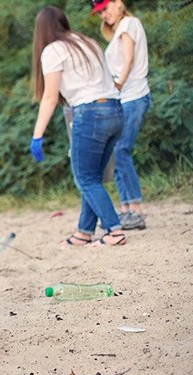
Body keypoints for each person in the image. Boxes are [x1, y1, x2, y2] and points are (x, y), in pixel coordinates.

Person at [30, 6, 126, 247]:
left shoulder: (53, 50)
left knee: (85, 178)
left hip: (89, 114)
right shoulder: (88, 42)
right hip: (115, 110)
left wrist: (37, 135)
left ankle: (114, 230)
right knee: (92, 177)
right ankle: (84, 232)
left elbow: (50, 97)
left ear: (41, 30)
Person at [92, 0, 151, 230]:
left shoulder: (128, 23)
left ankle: (135, 210)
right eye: (100, 12)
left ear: (118, 3)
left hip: (133, 95)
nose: (103, 15)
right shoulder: (119, 30)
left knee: (121, 150)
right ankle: (127, 209)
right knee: (117, 153)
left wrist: (117, 86)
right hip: (124, 99)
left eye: (105, 9)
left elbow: (129, 59)